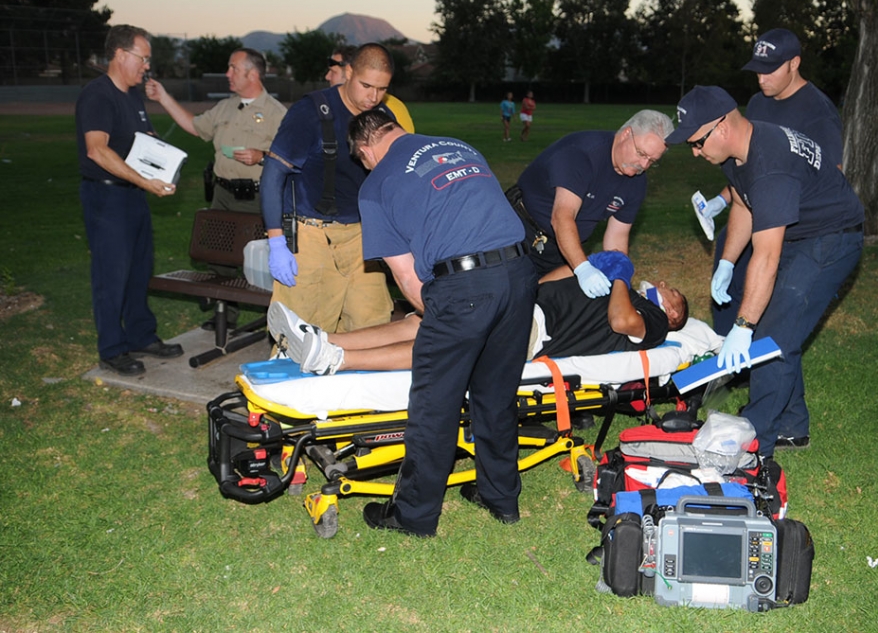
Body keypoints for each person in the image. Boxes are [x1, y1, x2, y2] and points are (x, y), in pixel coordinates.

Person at [347, 109, 538, 537]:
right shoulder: (457, 146)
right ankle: (500, 497)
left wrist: (440, 324)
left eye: (363, 160)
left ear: (365, 149)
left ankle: (413, 517)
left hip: (464, 286)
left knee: (435, 404)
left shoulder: (375, 185)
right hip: (520, 274)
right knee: (495, 395)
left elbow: (408, 278)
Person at [666, 85, 863, 459]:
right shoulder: (736, 152)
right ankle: (791, 423)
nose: (694, 152)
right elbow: (743, 204)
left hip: (831, 240)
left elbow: (768, 256)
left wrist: (743, 327)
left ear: (721, 127)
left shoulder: (770, 164)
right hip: (799, 230)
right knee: (777, 321)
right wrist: (727, 262)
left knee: (772, 335)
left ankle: (755, 445)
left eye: (696, 142)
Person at [705, 29, 844, 449]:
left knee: (777, 325)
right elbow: (750, 171)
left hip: (804, 228)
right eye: (756, 70)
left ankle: (755, 434)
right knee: (747, 306)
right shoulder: (759, 103)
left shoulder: (818, 112)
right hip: (760, 217)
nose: (762, 79)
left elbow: (830, 174)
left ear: (795, 63)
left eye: (770, 70)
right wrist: (727, 250)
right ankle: (791, 420)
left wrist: (775, 199)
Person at [267, 251, 688, 374]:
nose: (664, 286)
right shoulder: (616, 288)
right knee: (421, 322)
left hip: (532, 333)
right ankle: (323, 340)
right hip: (522, 304)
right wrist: (588, 265)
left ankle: (338, 360)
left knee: (442, 342)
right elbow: (552, 281)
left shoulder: (649, 322)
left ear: (671, 315)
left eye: (672, 294)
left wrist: (620, 277)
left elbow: (620, 323)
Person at [260, 43, 398, 334]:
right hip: (312, 235)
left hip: (361, 237)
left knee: (372, 324)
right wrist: (276, 241)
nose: (373, 97)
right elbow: (274, 172)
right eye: (366, 85)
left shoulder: (381, 118)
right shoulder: (311, 112)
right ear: (348, 72)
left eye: (382, 89)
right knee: (302, 332)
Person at [146, 48, 287, 330]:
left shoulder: (276, 114)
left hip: (257, 197)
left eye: (233, 68)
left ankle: (278, 319)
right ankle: (226, 315)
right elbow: (195, 126)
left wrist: (261, 155)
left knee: (258, 261)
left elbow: (291, 158)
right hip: (222, 195)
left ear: (253, 74)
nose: (228, 74)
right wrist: (163, 97)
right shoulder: (225, 107)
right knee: (219, 257)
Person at [75, 24, 184, 376]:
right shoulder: (98, 95)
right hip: (107, 197)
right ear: (120, 54)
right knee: (112, 273)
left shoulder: (132, 96)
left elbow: (144, 141)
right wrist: (144, 181)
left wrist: (166, 173)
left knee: (139, 268)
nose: (146, 66)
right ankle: (112, 347)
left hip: (134, 195)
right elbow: (97, 150)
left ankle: (141, 335)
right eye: (143, 58)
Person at [510, 110, 674, 293]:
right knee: (511, 301)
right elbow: (562, 216)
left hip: (563, 250)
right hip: (518, 234)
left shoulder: (637, 182)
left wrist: (621, 284)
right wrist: (583, 269)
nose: (643, 165)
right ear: (626, 134)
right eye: (641, 154)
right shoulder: (582, 154)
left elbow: (617, 237)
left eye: (652, 161)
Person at [325, 45, 415, 133]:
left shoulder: (392, 110)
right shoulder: (316, 108)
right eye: (366, 86)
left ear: (349, 72)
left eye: (333, 72)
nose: (374, 98)